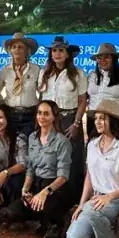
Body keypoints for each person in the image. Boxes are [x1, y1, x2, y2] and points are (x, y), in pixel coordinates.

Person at [66, 99, 119, 238]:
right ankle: (105, 235)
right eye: (96, 118)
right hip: (97, 198)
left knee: (92, 210)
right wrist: (81, 204)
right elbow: (89, 177)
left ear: (112, 121)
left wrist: (109, 196)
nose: (97, 122)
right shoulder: (92, 145)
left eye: (102, 118)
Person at [4, 100, 72, 238]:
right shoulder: (32, 138)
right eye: (40, 113)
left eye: (46, 114)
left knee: (46, 206)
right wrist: (25, 189)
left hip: (55, 187)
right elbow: (30, 168)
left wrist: (44, 193)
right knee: (11, 212)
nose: (42, 117)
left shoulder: (62, 142)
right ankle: (42, 220)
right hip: (36, 184)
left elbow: (63, 176)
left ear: (54, 117)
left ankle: (57, 223)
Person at [38, 36, 87, 203]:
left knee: (72, 162)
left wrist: (76, 123)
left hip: (69, 120)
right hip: (50, 121)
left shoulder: (78, 73)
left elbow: (82, 101)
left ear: (67, 54)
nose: (57, 53)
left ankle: (73, 202)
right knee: (50, 161)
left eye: (61, 50)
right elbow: (41, 100)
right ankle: (51, 201)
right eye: (54, 50)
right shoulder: (44, 73)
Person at [0, 104, 27, 210]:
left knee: (15, 183)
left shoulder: (19, 138)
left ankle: (15, 210)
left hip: (18, 177)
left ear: (7, 119)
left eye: (0, 118)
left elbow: (23, 164)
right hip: (2, 179)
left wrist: (6, 173)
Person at [0, 32, 40, 137]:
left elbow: (43, 93)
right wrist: (3, 104)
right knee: (11, 146)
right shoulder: (4, 70)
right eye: (14, 47)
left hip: (30, 115)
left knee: (28, 146)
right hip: (10, 114)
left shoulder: (36, 69)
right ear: (10, 50)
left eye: (20, 47)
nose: (17, 49)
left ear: (27, 51)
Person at [87, 43, 119, 139]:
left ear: (114, 59)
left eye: (107, 57)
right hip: (94, 119)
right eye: (99, 58)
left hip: (117, 119)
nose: (102, 60)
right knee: (94, 148)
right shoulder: (92, 76)